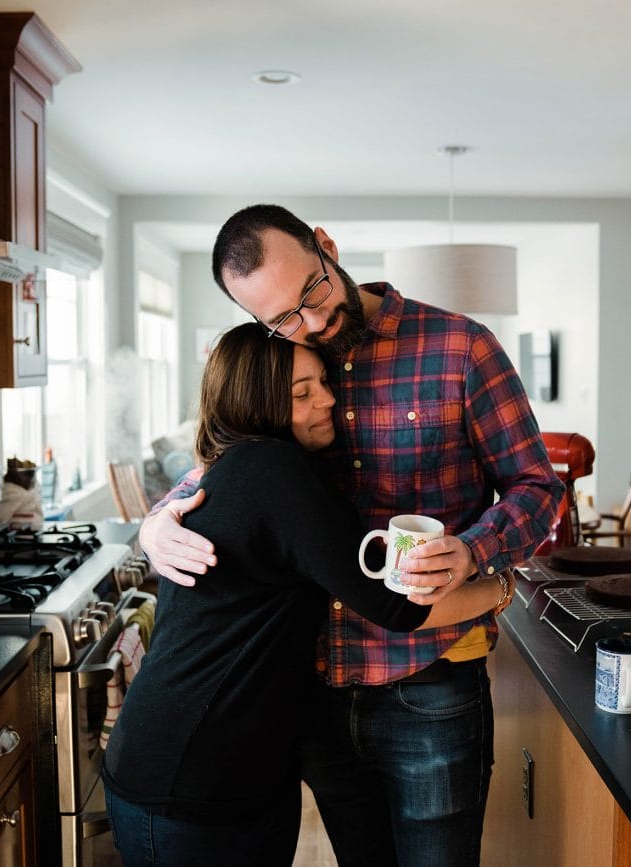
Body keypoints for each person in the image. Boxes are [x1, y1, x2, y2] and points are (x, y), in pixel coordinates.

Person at [141, 204, 562, 866]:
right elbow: (232, 460)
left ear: (327, 247)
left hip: (429, 685)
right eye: (280, 317)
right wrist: (155, 521)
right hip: (313, 694)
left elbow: (539, 489)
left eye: (311, 291)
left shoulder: (460, 347)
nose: (309, 323)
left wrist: (477, 550)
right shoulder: (285, 361)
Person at [103, 323, 511, 867]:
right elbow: (395, 606)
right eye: (301, 393)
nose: (329, 401)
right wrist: (505, 586)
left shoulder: (244, 467)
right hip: (190, 776)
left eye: (322, 381)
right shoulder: (272, 470)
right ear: (258, 403)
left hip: (228, 770)